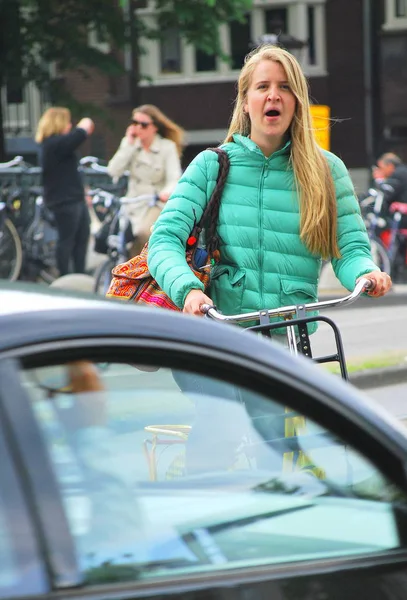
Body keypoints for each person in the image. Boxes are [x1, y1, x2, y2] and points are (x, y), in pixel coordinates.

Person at [148, 44, 391, 323]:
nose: (273, 95)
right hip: (220, 330)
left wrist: (366, 273)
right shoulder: (211, 165)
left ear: (297, 100)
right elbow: (164, 239)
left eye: (285, 87)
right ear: (245, 101)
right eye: (263, 86)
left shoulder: (328, 170)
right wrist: (188, 291)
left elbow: (350, 250)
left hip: (292, 329)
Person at [107, 104, 184, 255]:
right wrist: (128, 144)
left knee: (144, 233)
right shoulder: (130, 145)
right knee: (114, 236)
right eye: (134, 123)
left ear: (155, 127)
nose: (138, 128)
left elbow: (174, 177)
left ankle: (140, 267)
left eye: (143, 124)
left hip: (154, 203)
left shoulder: (167, 147)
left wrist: (166, 192)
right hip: (133, 203)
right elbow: (113, 170)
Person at [35, 107, 94, 276]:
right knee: (67, 240)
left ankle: (79, 274)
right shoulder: (53, 144)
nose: (70, 125)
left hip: (75, 198)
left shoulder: (57, 144)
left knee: (82, 236)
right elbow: (78, 136)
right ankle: (65, 276)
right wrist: (84, 125)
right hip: (65, 201)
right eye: (67, 122)